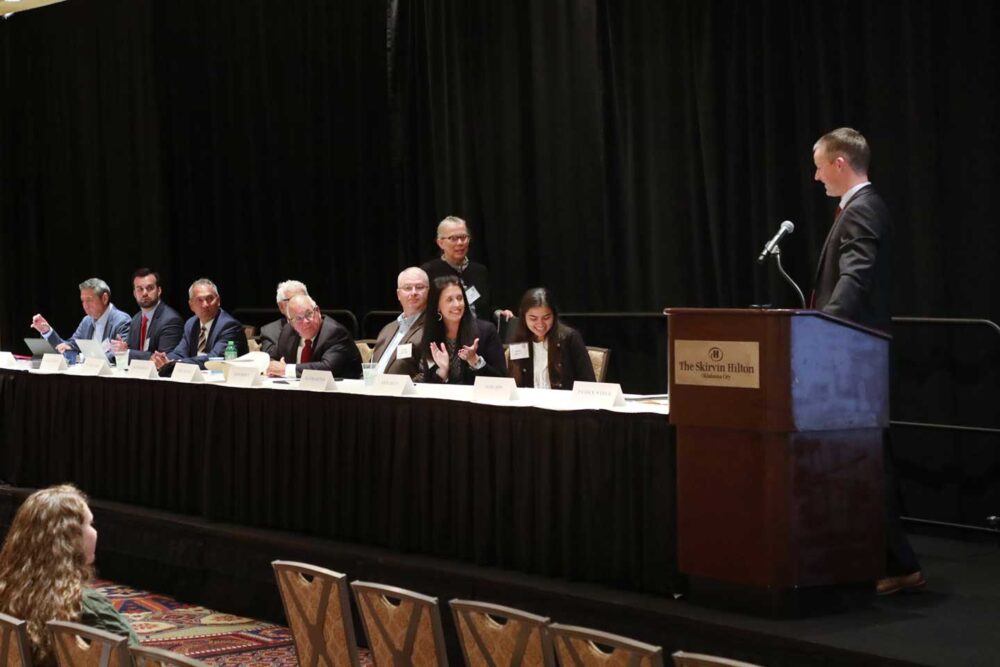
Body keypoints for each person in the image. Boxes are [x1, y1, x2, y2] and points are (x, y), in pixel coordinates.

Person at [812, 127, 921, 595]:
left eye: (820, 167)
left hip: (853, 359)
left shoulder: (862, 209)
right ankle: (889, 562)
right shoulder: (859, 207)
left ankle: (896, 563)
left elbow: (855, 278)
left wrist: (822, 331)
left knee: (867, 461)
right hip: (855, 356)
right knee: (865, 460)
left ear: (840, 163)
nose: (816, 177)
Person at [0, 485, 138, 666]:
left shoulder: (7, 591)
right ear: (69, 539)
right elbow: (136, 660)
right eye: (89, 524)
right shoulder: (86, 605)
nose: (95, 532)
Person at [420, 216, 513, 323]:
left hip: (482, 330)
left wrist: (499, 313)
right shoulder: (428, 272)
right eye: (453, 238)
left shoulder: (480, 271)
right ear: (440, 243)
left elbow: (487, 307)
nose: (460, 243)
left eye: (463, 237)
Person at [418, 275, 506, 384]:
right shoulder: (431, 334)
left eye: (460, 298)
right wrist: (443, 372)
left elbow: (501, 380)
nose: (457, 304)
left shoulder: (486, 331)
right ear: (437, 306)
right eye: (449, 300)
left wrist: (475, 361)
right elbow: (428, 385)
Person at [507, 288, 595, 389]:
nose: (540, 324)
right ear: (523, 317)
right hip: (528, 399)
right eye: (533, 318)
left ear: (554, 315)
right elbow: (513, 384)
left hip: (563, 399)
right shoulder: (519, 340)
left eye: (546, 317)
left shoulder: (569, 338)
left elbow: (588, 382)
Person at [153, 278, 249, 371]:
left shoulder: (229, 326)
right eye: (200, 300)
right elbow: (180, 353)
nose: (205, 305)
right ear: (191, 305)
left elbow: (214, 359)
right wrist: (165, 359)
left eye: (210, 298)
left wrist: (177, 363)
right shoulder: (191, 324)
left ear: (218, 301)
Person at [30, 278, 131, 360]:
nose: (85, 305)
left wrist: (84, 359)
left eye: (89, 300)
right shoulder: (86, 321)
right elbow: (67, 346)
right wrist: (47, 331)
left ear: (104, 298)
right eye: (83, 301)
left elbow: (119, 354)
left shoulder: (122, 321)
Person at [266, 294, 362, 379]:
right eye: (298, 318)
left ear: (317, 311)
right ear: (291, 323)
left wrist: (287, 369)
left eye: (309, 314)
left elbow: (327, 368)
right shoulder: (288, 332)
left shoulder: (335, 333)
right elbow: (273, 358)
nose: (306, 321)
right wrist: (272, 367)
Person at [109, 268, 184, 361]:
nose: (144, 293)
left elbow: (163, 359)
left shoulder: (171, 320)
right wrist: (123, 348)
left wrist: (127, 352)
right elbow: (131, 351)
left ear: (159, 290)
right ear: (134, 294)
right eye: (140, 289)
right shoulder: (136, 319)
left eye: (150, 288)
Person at [370, 267, 429, 378]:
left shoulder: (432, 328)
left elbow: (426, 375)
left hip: (403, 389)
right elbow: (370, 367)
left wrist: (398, 386)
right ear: (398, 294)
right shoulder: (387, 329)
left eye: (419, 287)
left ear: (429, 292)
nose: (413, 292)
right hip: (372, 386)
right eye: (407, 288)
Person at [260, 280, 309, 356]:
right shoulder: (269, 332)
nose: (300, 303)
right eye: (293, 300)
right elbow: (270, 359)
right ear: (281, 307)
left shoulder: (320, 325)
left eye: (303, 298)